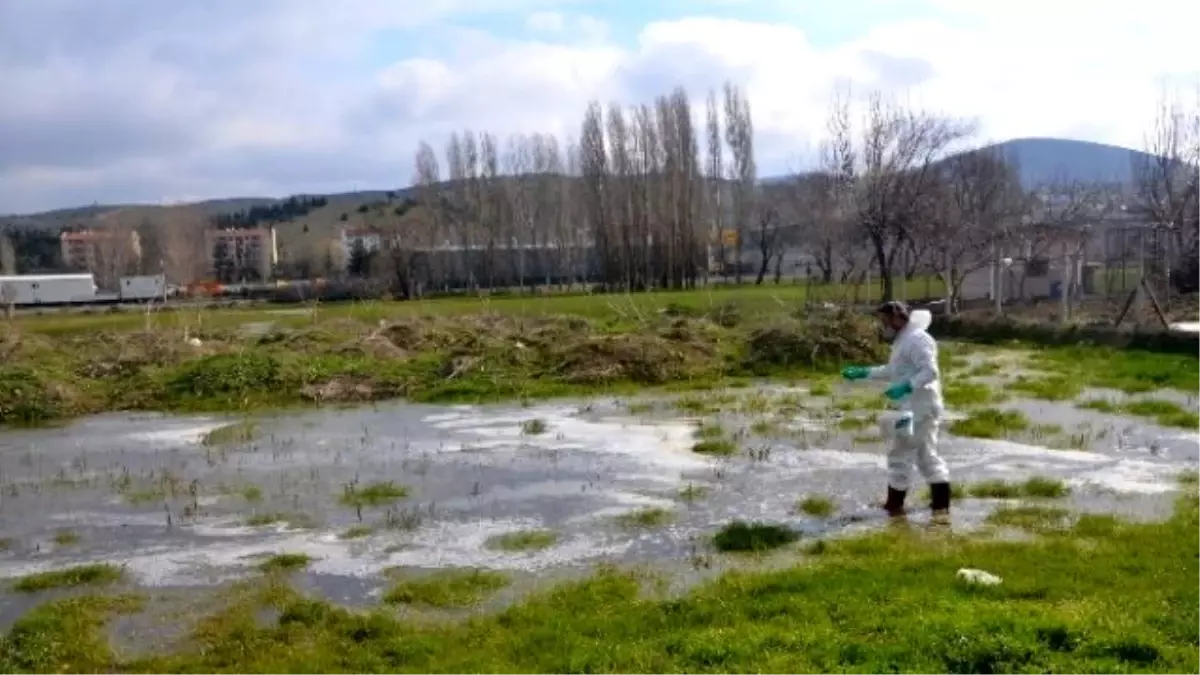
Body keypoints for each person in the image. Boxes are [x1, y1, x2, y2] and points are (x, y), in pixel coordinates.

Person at [841, 300, 951, 518]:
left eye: (885, 320)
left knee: (899, 455)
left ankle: (894, 508)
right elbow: (894, 370)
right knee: (927, 457)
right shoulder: (904, 339)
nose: (883, 325)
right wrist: (865, 373)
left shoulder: (918, 339)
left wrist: (907, 386)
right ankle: (940, 508)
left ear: (899, 317)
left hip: (919, 407)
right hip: (918, 407)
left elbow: (930, 371)